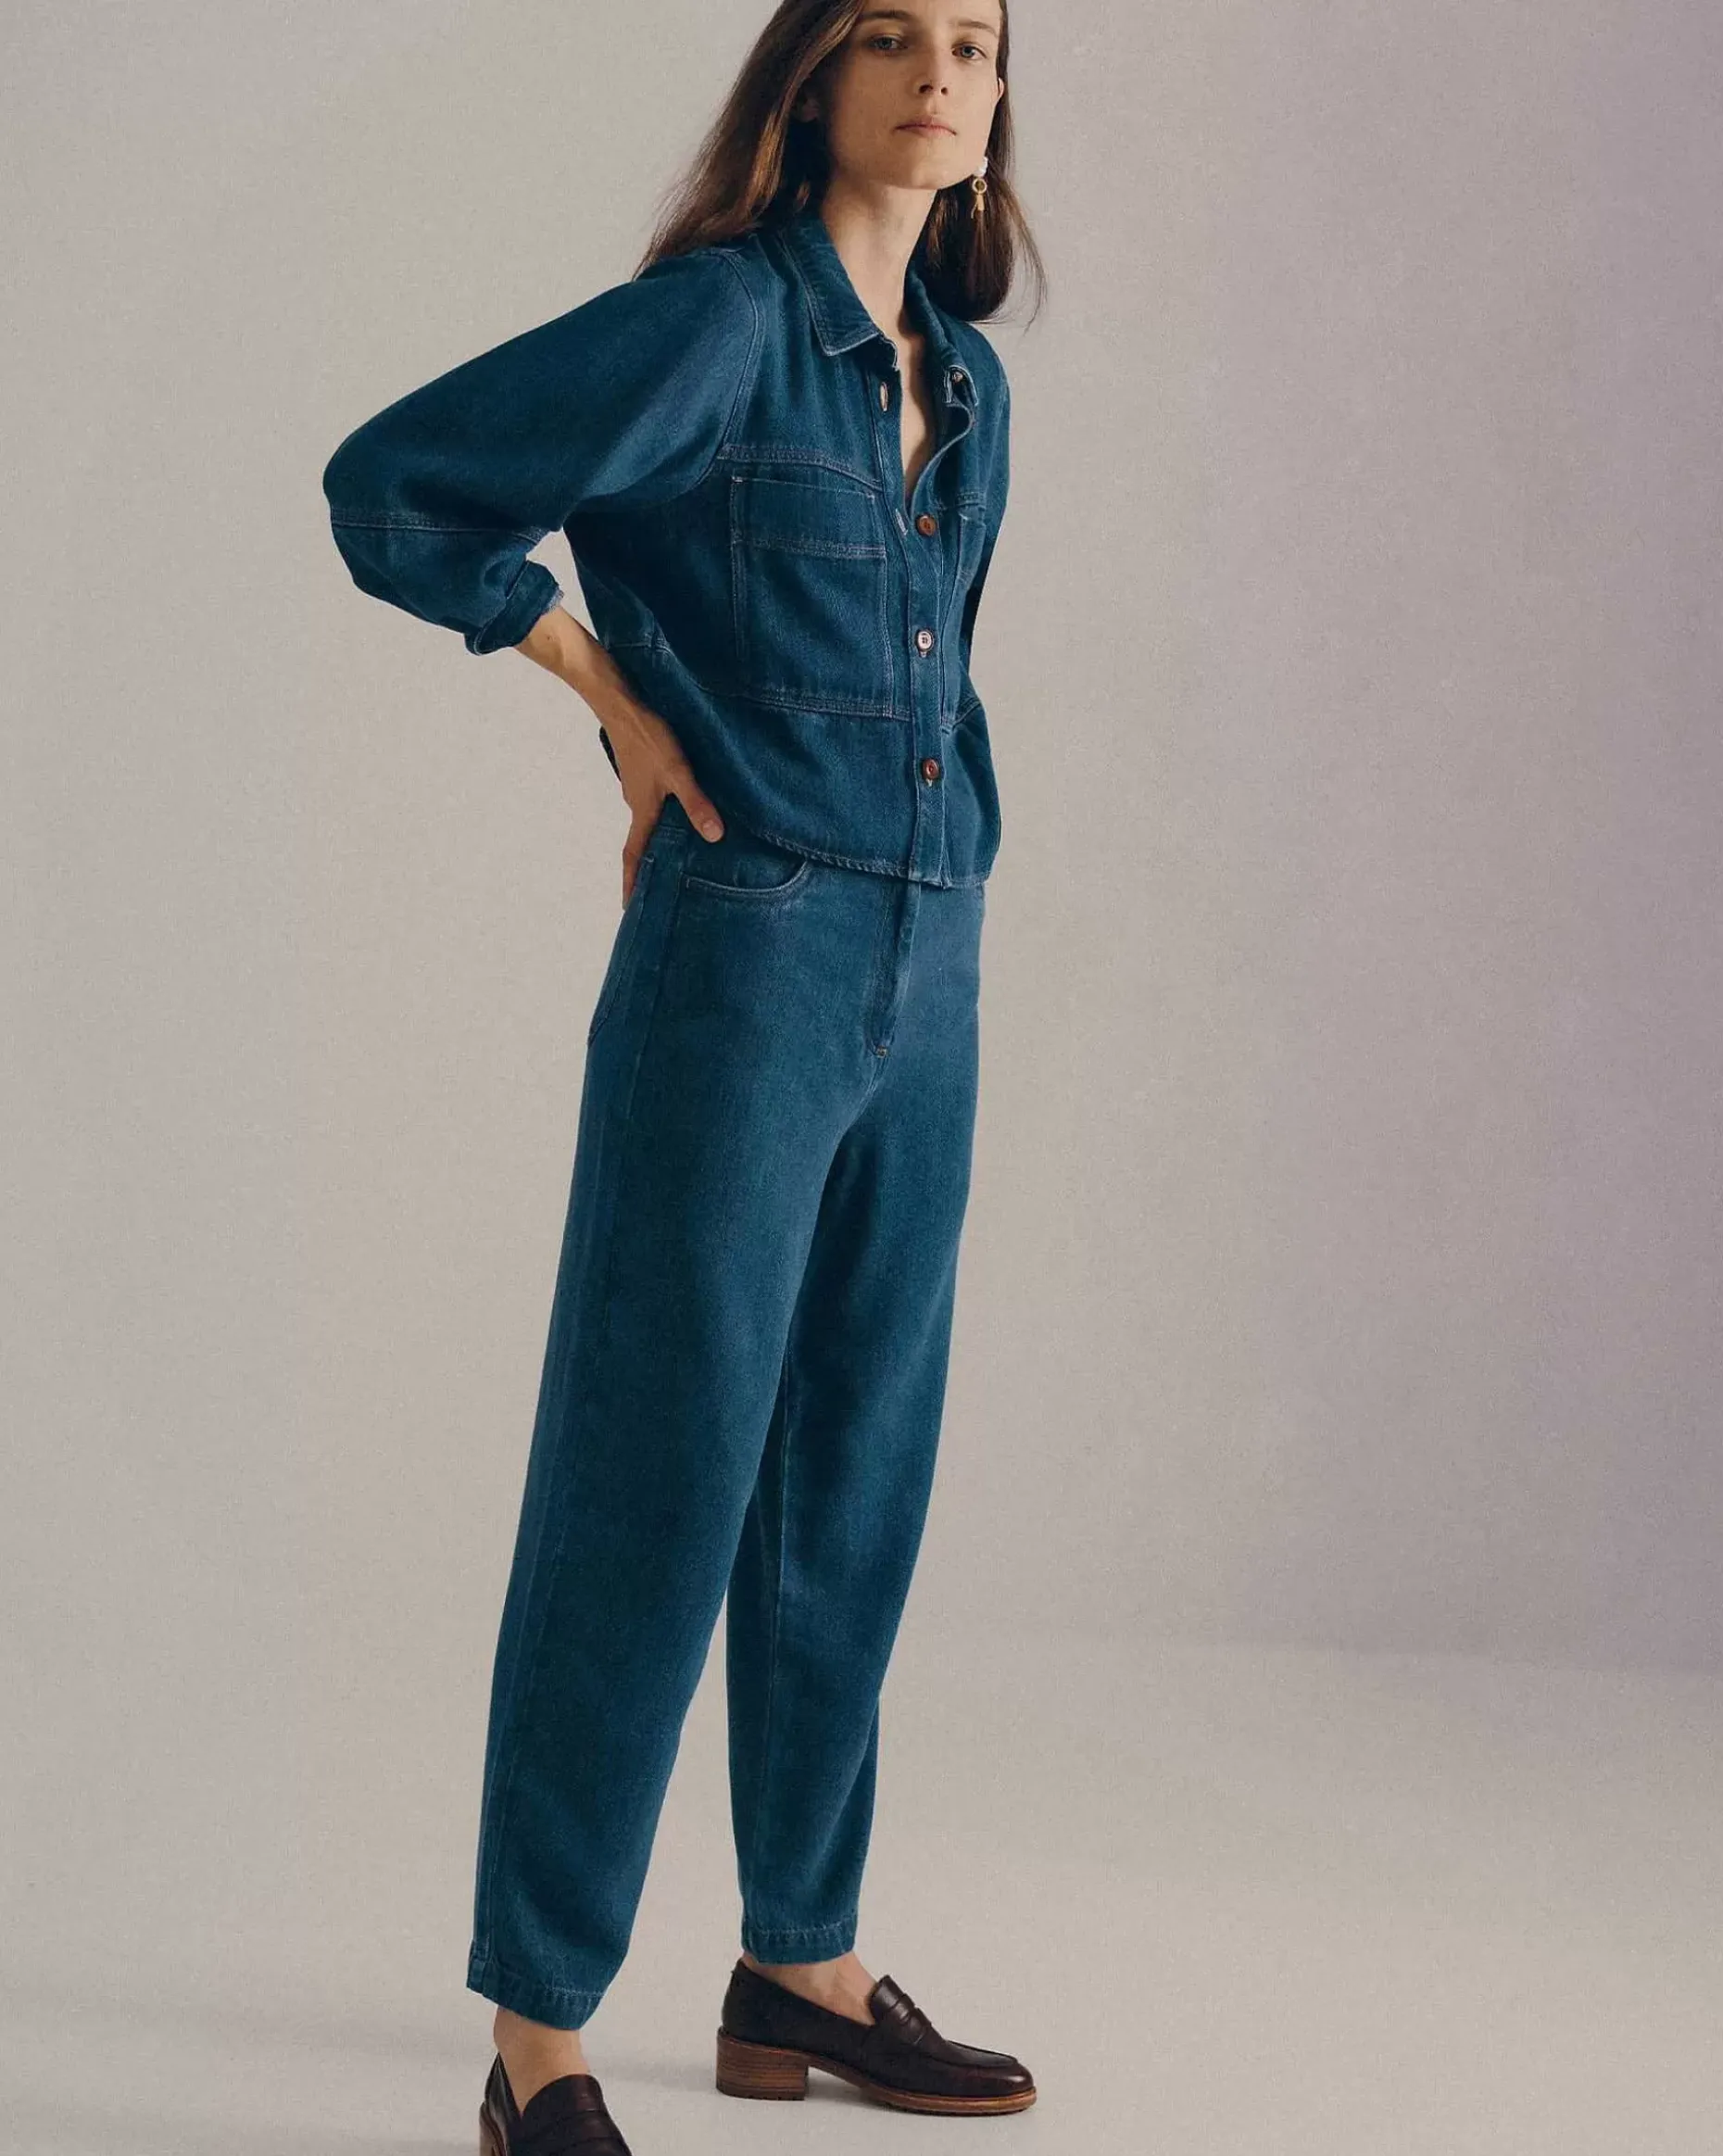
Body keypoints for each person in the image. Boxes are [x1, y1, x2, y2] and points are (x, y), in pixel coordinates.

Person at [321, 4, 1043, 2149]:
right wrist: (603, 687)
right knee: (656, 1465)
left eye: (979, 42)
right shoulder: (722, 327)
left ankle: (795, 1962)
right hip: (750, 948)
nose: (940, 72)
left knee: (853, 1470)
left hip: (934, 949)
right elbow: (396, 485)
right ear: (811, 80)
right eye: (892, 35)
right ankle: (538, 2028)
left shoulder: (969, 383)